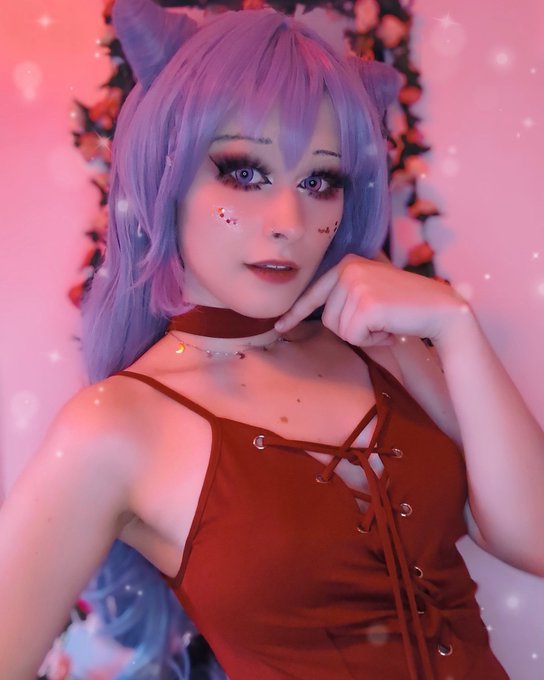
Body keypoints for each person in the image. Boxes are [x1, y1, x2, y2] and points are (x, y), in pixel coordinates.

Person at [1, 3, 543, 679]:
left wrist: (456, 326)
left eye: (319, 181)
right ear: (165, 178)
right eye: (244, 174)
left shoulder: (384, 346)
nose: (289, 220)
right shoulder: (116, 425)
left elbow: (534, 538)